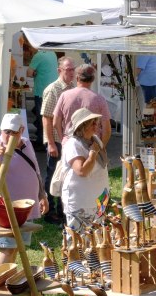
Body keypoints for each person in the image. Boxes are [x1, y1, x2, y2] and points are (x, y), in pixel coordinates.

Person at [0, 113, 48, 266]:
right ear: (1, 130)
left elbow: (36, 171)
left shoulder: (27, 144)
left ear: (22, 130)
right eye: (7, 131)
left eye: (14, 132)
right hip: (5, 208)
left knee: (17, 246)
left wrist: (42, 195)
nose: (9, 135)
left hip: (25, 208)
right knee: (7, 248)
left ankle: (7, 279)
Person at [60, 108, 109, 232]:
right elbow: (82, 171)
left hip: (98, 200)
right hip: (80, 203)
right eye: (91, 123)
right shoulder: (73, 144)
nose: (96, 125)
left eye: (96, 122)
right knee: (78, 242)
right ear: (82, 126)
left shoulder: (95, 140)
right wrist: (92, 153)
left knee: (96, 242)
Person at [40, 56, 76, 224]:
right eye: (68, 69)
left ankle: (63, 209)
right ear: (59, 70)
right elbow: (46, 118)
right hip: (56, 140)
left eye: (72, 69)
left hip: (68, 141)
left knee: (66, 175)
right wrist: (51, 143)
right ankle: (49, 210)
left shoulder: (72, 88)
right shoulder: (53, 89)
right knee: (52, 175)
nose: (71, 72)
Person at [53, 63, 111, 147]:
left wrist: (63, 139)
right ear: (92, 79)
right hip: (91, 145)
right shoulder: (99, 99)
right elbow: (107, 129)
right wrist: (100, 148)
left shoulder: (64, 96)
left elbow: (55, 122)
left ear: (77, 78)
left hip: (70, 144)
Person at [26, 48, 58, 147]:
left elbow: (29, 73)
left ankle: (42, 141)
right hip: (52, 90)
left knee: (41, 117)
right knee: (48, 116)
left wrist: (35, 73)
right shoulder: (52, 53)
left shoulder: (38, 56)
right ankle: (47, 140)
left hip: (41, 91)